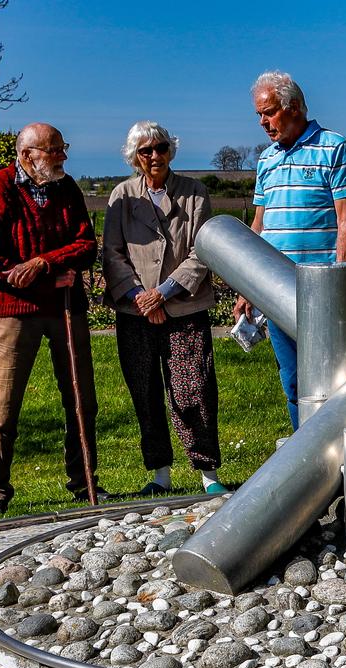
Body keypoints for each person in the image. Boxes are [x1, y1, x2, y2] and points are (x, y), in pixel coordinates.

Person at [0, 121, 110, 516]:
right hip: (12, 312)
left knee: (81, 397)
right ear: (27, 155)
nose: (63, 156)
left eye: (62, 147)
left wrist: (43, 263)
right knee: (5, 401)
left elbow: (85, 245)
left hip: (66, 307)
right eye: (55, 150)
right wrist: (49, 275)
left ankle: (84, 480)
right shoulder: (0, 187)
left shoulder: (66, 188)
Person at [230, 70, 346, 429]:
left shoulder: (334, 147)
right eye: (259, 115)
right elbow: (260, 224)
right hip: (275, 288)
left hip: (321, 288)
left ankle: (342, 460)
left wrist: (339, 280)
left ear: (295, 107)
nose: (263, 122)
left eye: (268, 112)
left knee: (334, 382)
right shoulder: (267, 159)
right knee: (293, 381)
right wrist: (247, 286)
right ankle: (304, 463)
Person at [102, 121, 226, 497]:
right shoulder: (121, 195)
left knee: (195, 391)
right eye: (146, 151)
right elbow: (112, 253)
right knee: (146, 391)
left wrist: (164, 293)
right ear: (134, 157)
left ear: (171, 150)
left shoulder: (194, 192)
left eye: (160, 148)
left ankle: (207, 473)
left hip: (184, 308)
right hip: (135, 312)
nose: (154, 156)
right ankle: (160, 474)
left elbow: (202, 250)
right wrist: (141, 295)